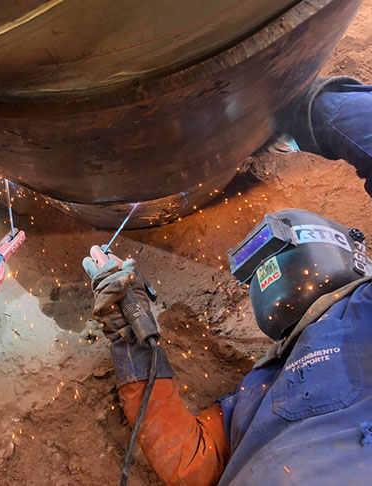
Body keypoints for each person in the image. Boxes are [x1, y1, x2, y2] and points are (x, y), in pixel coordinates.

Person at [83, 76, 372, 486]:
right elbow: (193, 462)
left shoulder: (357, 317)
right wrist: (130, 325)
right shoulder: (260, 385)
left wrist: (308, 108)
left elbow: (188, 461)